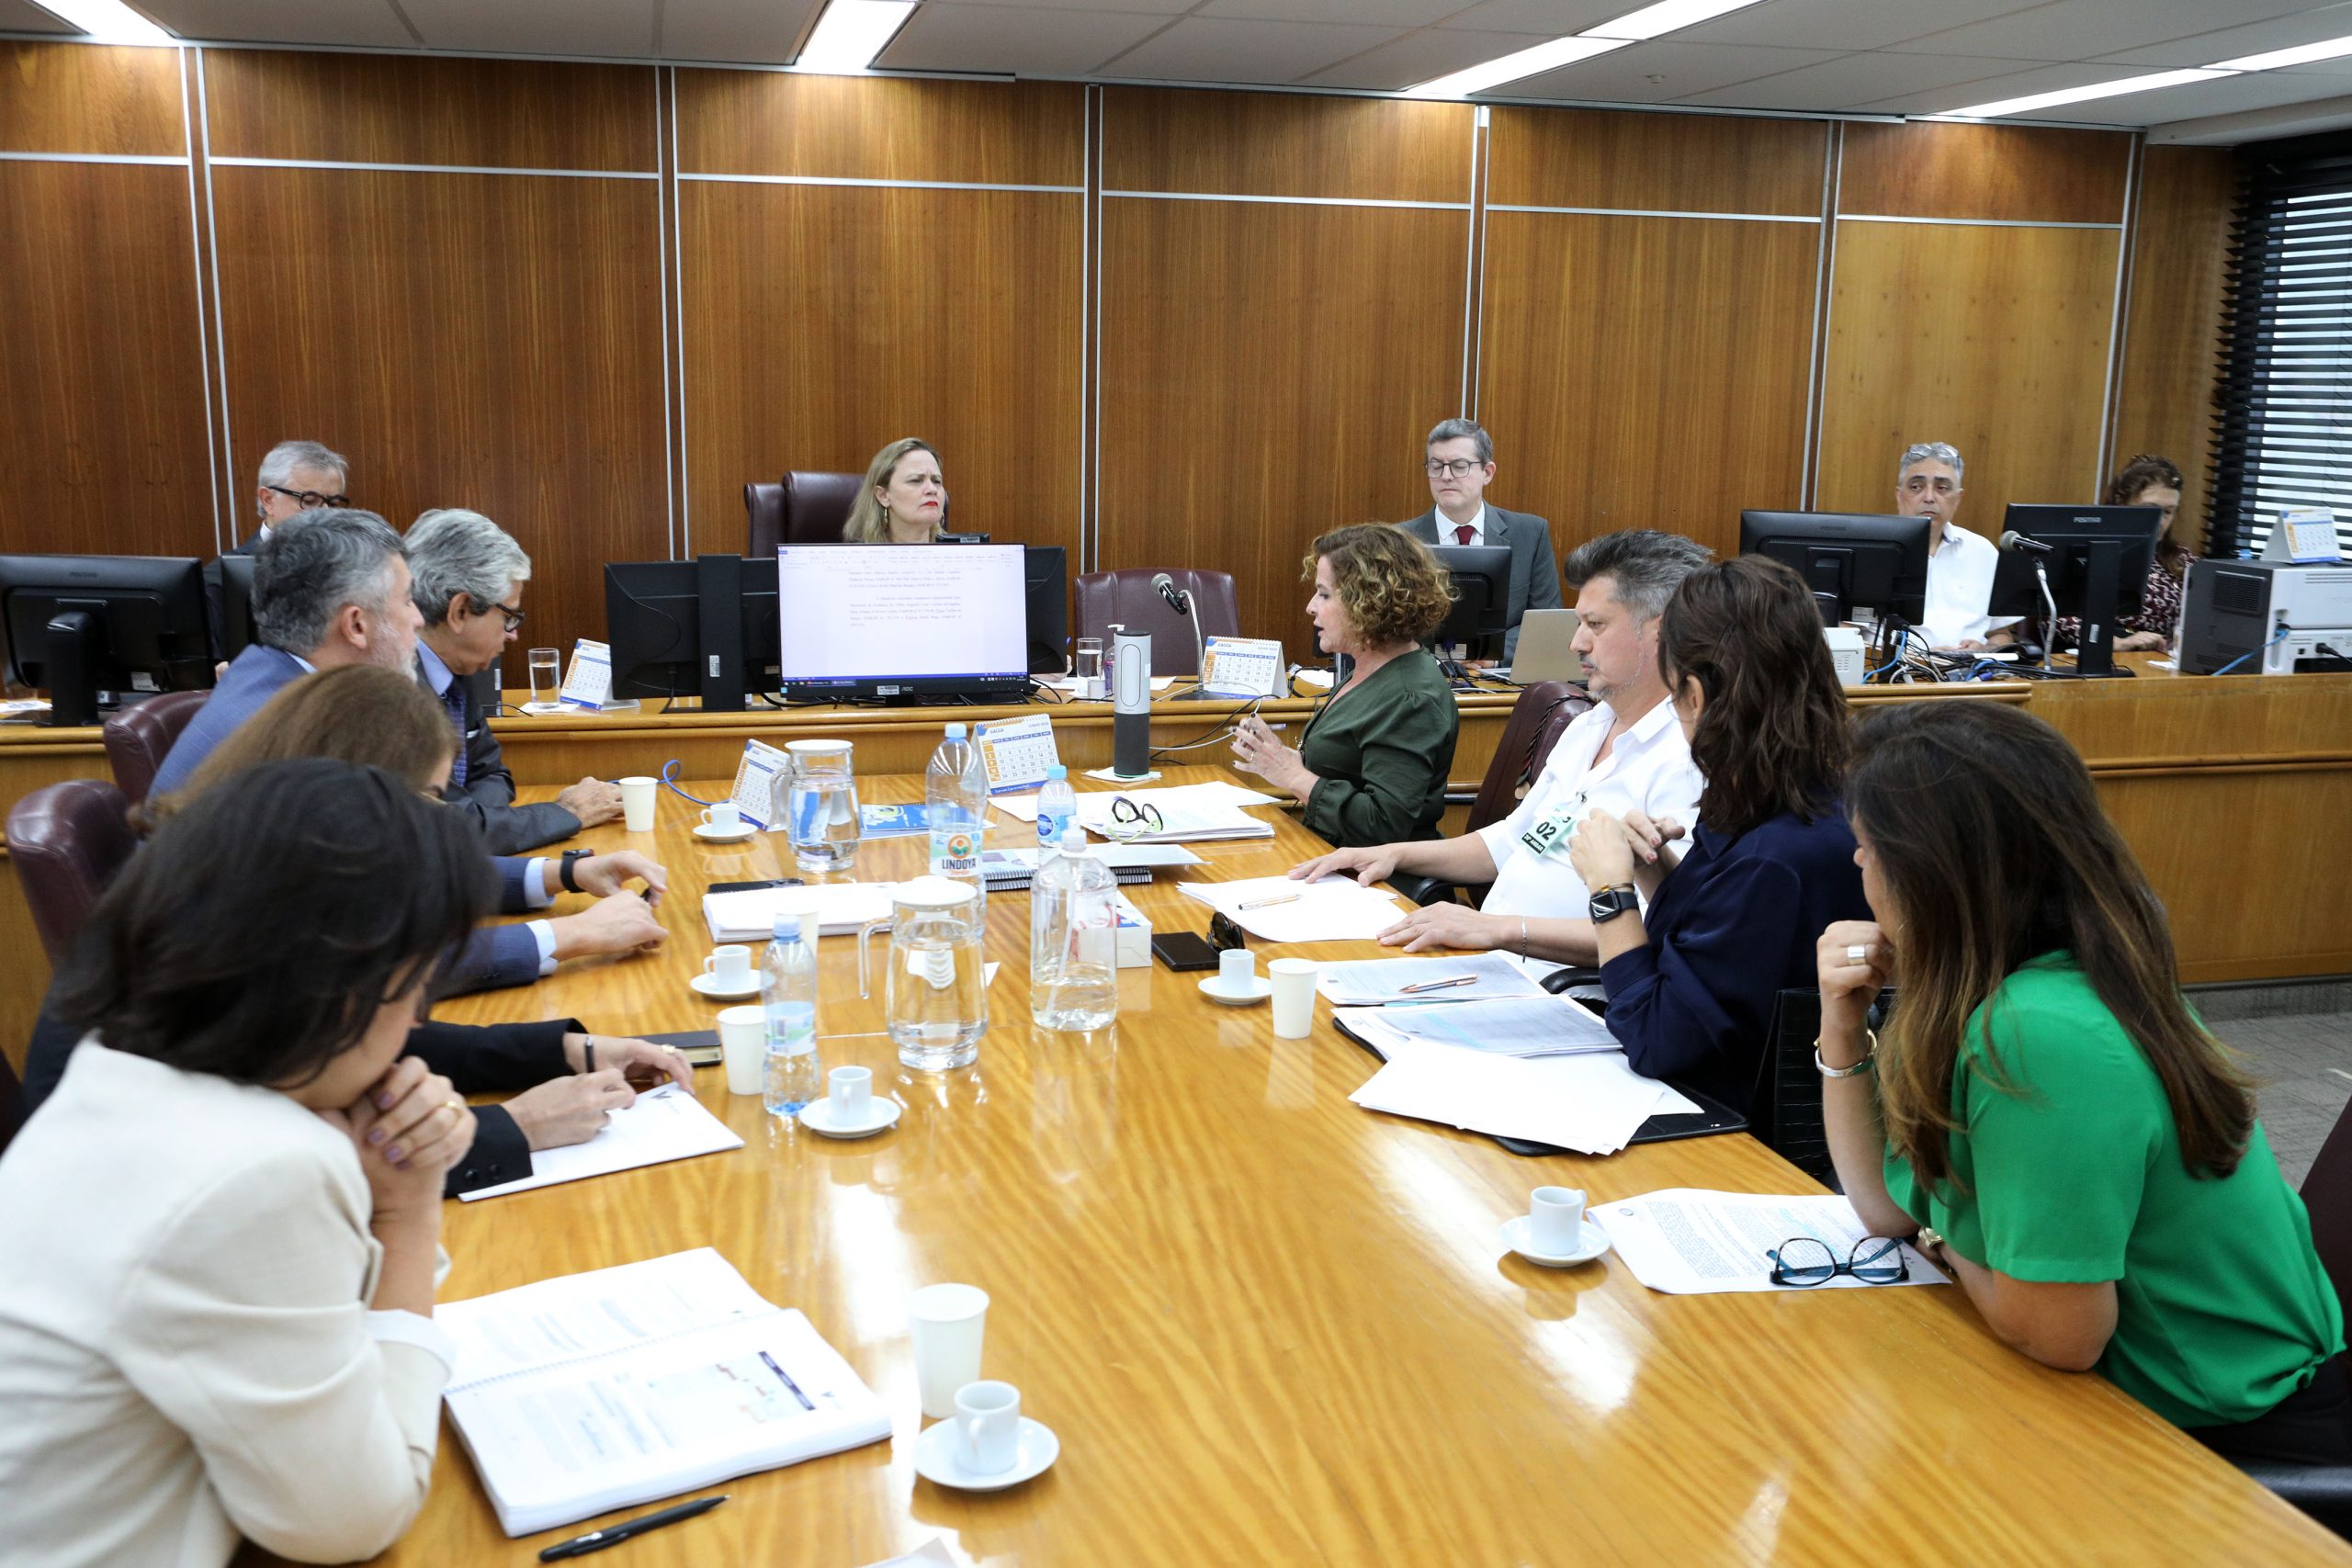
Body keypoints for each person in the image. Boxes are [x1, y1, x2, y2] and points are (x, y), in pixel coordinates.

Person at [1815, 702, 2345, 1463]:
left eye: (1865, 849)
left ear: (1932, 873)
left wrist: (1939, 1233)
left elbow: (2059, 1335)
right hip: (2140, 1403)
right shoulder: (2018, 987)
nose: (1857, 869)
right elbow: (1880, 1205)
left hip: (2226, 1448)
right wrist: (1842, 1024)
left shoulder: (2038, 1036)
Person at [0, 758, 483, 1566]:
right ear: (342, 984)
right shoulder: (256, 1168)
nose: (412, 1029)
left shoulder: (118, 1072)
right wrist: (407, 1208)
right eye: (417, 991)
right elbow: (353, 1520)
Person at [22, 665, 690, 1195]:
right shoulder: (233, 930)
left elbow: (377, 1041)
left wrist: (565, 1051)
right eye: (429, 797)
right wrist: (513, 1127)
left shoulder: (241, 872)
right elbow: (296, 1164)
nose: (439, 820)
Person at [151, 512, 664, 993]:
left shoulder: (273, 682)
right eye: (406, 602)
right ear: (356, 626)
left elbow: (396, 864)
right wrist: (571, 937)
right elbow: (371, 957)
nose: (421, 620)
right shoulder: (297, 743)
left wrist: (563, 874)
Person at [1291, 530, 1710, 964]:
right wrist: (1393, 853)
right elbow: (1513, 841)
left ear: (1660, 632)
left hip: (1566, 991)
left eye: (1596, 625)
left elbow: (1658, 927)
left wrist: (1500, 930)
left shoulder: (1688, 758)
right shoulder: (1588, 726)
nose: (1576, 643)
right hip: (1490, 962)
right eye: (1579, 624)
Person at [1566, 555, 1871, 1114]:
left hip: (1729, 1131)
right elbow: (1713, 946)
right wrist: (1654, 868)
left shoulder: (1774, 853)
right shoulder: (1779, 790)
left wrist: (1608, 895)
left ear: (1696, 696)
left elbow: (1658, 1040)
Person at [407, 507, 623, 852]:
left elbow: (492, 775)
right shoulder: (387, 694)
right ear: (460, 611)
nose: (513, 636)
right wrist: (566, 812)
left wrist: (479, 821)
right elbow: (445, 831)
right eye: (509, 616)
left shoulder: (459, 669)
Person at [1232, 524, 1458, 847]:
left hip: (1379, 882)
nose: (1311, 606)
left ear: (1366, 602)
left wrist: (1295, 777)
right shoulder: (1368, 670)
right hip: (1329, 854)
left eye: (1324, 594)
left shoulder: (1412, 698)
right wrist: (1281, 761)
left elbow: (1382, 824)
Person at [1396, 418, 1563, 663]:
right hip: (1421, 677)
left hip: (1499, 680)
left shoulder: (1530, 533)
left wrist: (1490, 656)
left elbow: (1545, 622)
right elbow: (1386, 624)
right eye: (1436, 466)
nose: (1446, 476)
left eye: (1459, 466)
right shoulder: (1397, 541)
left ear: (1487, 472)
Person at [2050, 454, 2196, 653]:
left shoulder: (2181, 560)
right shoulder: (2086, 548)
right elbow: (2054, 614)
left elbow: (2201, 623)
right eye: (2150, 509)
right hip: (2100, 653)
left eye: (2168, 512)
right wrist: (2115, 642)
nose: (2160, 521)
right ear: (2122, 502)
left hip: (2161, 662)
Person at [1898, 441, 2020, 650]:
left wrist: (1984, 651)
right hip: (1896, 678)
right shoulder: (1873, 554)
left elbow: (2001, 634)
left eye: (1942, 488)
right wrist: (1917, 658)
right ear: (1899, 495)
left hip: (1970, 677)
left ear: (1958, 498)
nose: (1929, 497)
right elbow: (1844, 635)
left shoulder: (1982, 552)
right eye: (1916, 487)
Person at [843, 438, 946, 544]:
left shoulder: (959, 556)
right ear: (883, 495)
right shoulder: (857, 558)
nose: (932, 489)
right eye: (916, 480)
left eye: (937, 481)